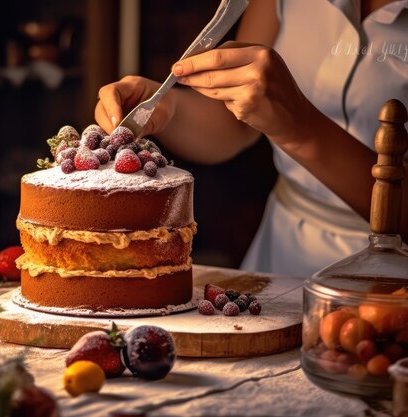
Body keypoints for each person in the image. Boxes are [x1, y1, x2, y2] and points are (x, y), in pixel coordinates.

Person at [95, 0, 408, 278]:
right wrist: (169, 108)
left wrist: (300, 130)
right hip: (282, 250)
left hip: (392, 279)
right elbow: (235, 127)